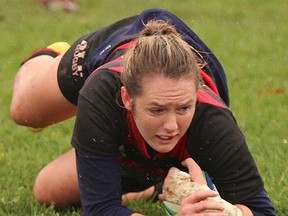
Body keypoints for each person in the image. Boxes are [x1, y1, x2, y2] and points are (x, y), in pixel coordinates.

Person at [10, 8, 276, 216]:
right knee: (23, 112)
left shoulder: (213, 123)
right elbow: (100, 210)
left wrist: (229, 213)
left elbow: (262, 209)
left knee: (47, 190)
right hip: (106, 54)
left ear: (196, 96)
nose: (172, 124)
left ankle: (155, 183)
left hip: (148, 140)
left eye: (183, 107)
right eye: (157, 109)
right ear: (127, 98)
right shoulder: (101, 94)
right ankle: (51, 58)